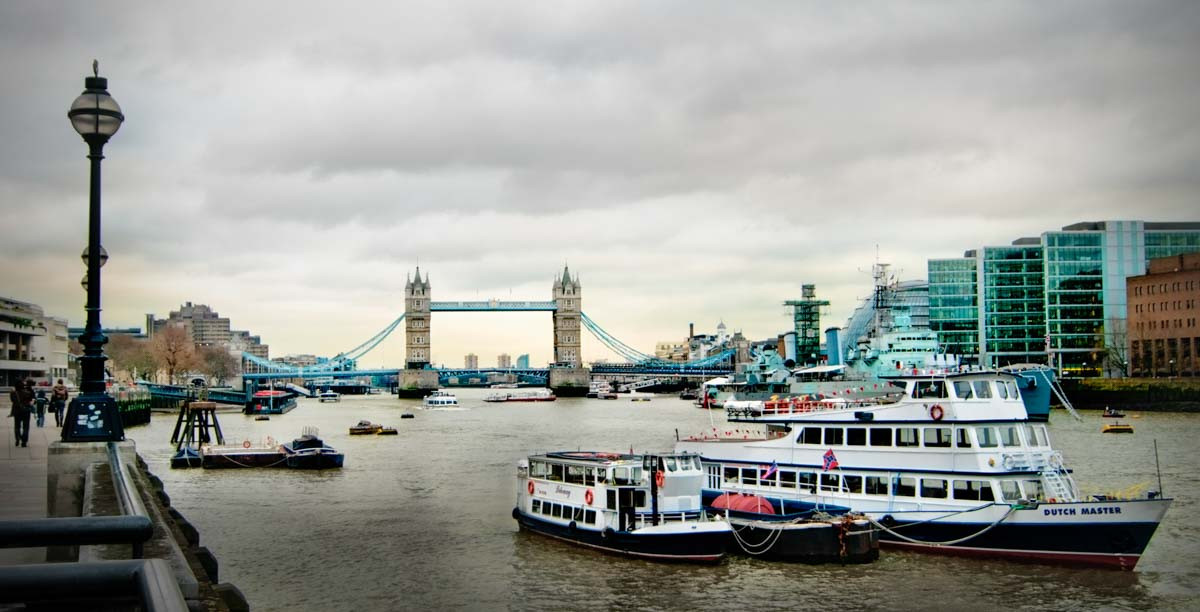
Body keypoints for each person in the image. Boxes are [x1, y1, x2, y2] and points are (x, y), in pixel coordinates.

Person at [8, 378, 34, 447]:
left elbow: (12, 401)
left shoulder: (13, 393)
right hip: (26, 410)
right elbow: (31, 399)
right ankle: (24, 441)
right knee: (26, 426)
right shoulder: (27, 393)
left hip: (17, 411)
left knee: (17, 426)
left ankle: (17, 439)